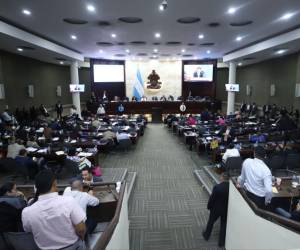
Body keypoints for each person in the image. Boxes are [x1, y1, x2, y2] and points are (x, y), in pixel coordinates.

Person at [22, 170, 87, 250]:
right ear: (54, 184)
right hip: (73, 246)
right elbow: (81, 228)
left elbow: (28, 230)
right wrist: (81, 239)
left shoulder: (27, 212)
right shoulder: (68, 201)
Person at [202, 173, 229, 247]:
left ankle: (206, 235)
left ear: (222, 178)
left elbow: (212, 198)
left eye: (220, 176)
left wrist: (209, 206)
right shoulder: (231, 189)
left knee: (211, 222)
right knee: (223, 225)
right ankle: (221, 243)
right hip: (225, 210)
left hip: (216, 209)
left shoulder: (217, 187)